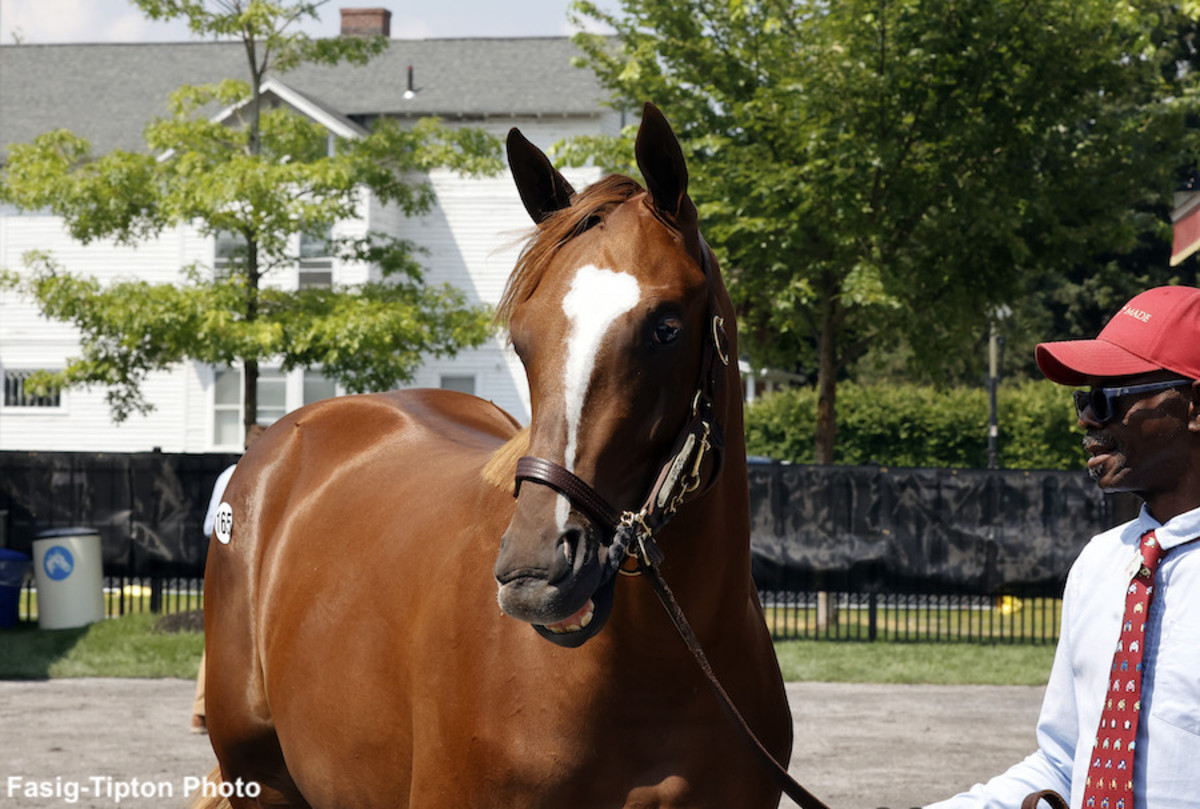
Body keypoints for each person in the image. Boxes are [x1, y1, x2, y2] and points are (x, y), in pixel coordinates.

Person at [926, 285, 1200, 809]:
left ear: (1194, 406)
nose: (1086, 420)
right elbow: (1065, 761)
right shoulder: (1102, 562)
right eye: (1083, 400)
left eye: (1106, 399)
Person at [191, 423, 266, 734]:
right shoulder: (259, 474)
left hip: (232, 561)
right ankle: (205, 709)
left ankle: (202, 710)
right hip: (248, 564)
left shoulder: (228, 475)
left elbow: (212, 526)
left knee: (226, 635)